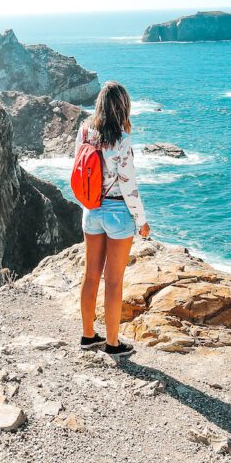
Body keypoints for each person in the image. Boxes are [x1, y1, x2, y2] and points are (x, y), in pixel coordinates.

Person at [75, 81, 150, 359]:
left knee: (91, 274)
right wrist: (141, 221)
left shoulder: (85, 131)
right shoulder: (121, 140)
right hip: (118, 212)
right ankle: (113, 343)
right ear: (122, 108)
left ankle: (87, 335)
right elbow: (129, 186)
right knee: (114, 281)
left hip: (91, 209)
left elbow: (79, 167)